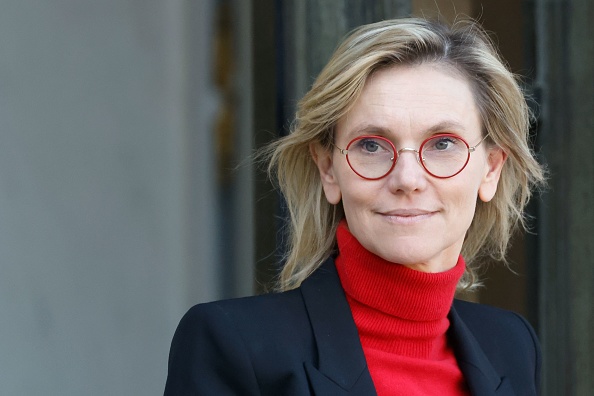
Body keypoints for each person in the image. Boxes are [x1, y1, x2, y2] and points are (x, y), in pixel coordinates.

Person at [164, 17, 545, 395]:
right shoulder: (232, 343)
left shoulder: (512, 346)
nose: (407, 179)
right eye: (372, 145)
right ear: (328, 168)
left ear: (491, 169)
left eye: (443, 143)